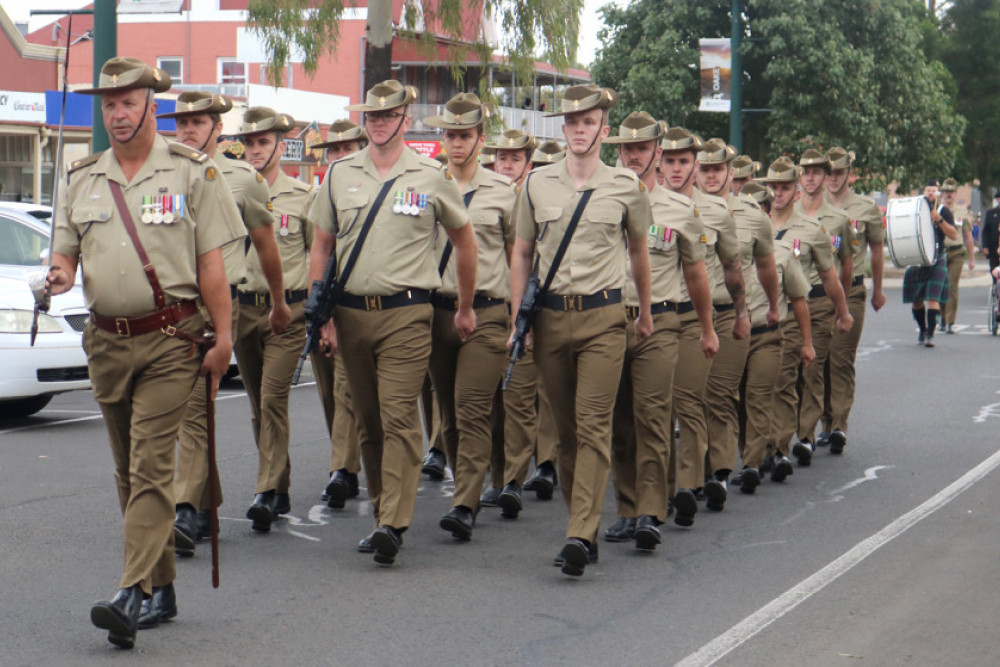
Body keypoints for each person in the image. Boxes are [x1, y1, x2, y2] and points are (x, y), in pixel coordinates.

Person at [48, 57, 240, 649]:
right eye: (109, 104)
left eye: (128, 102)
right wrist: (57, 275)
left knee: (152, 465)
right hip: (106, 340)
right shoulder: (81, 177)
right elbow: (65, 254)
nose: (118, 113)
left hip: (171, 340)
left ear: (150, 106)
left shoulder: (191, 173)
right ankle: (163, 588)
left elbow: (212, 266)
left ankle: (129, 592)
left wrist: (225, 337)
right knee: (127, 472)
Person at [307, 80, 478, 565]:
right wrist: (321, 315)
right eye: (372, 116)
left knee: (399, 414)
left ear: (406, 119)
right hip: (351, 313)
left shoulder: (431, 175)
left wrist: (464, 306)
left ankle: (392, 523)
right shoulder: (340, 174)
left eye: (388, 116)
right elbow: (322, 245)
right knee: (369, 420)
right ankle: (384, 507)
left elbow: (465, 241)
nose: (378, 123)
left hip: (408, 311)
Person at [509, 84, 653, 576]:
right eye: (571, 123)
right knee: (567, 432)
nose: (578, 130)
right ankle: (583, 520)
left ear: (603, 130)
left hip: (604, 320)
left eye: (588, 123)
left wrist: (645, 310)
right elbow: (522, 254)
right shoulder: (536, 184)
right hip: (549, 319)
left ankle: (579, 532)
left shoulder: (626, 186)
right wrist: (518, 321)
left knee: (594, 425)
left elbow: (638, 252)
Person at [157, 92, 289, 554]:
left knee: (196, 408)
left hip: (219, 305)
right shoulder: (163, 175)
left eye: (198, 122)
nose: (188, 130)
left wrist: (278, 301)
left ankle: (186, 509)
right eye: (182, 122)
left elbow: (267, 245)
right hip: (172, 309)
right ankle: (204, 507)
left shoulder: (243, 179)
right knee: (190, 412)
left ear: (218, 127)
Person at [604, 112, 716, 551]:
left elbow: (697, 275)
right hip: (610, 320)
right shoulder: (602, 199)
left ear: (657, 152)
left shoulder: (680, 209)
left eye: (642, 148)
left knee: (653, 415)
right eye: (627, 149)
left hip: (662, 324)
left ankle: (651, 511)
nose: (633, 156)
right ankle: (627, 508)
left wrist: (707, 328)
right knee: (619, 420)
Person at [420, 93, 516, 539]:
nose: (456, 144)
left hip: (486, 311)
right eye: (450, 135)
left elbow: (519, 257)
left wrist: (518, 316)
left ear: (481, 139)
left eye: (465, 136)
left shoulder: (503, 191)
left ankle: (465, 503)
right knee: (449, 412)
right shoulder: (426, 183)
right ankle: (473, 482)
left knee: (472, 406)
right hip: (437, 311)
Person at [232, 107, 316, 532]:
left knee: (271, 398)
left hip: (288, 313)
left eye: (263, 142)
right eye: (248, 143)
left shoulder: (304, 196)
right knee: (255, 404)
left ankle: (265, 490)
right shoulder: (226, 192)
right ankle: (280, 484)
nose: (255, 151)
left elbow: (317, 257)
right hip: (242, 309)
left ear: (281, 147)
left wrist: (320, 316)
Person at [659, 127, 740, 527]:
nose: (676, 169)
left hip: (697, 317)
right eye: (670, 161)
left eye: (683, 161)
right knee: (658, 406)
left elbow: (732, 266)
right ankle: (663, 488)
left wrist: (739, 314)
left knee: (692, 399)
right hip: (655, 317)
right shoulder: (644, 204)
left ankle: (691, 484)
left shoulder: (715, 211)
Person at [696, 138, 779, 510]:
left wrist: (772, 308)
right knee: (689, 399)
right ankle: (691, 475)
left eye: (717, 170)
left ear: (732, 173)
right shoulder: (680, 208)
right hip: (685, 316)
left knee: (719, 394)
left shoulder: (752, 216)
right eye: (705, 169)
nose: (711, 176)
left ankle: (719, 474)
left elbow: (766, 268)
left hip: (731, 315)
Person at [760, 157, 852, 482]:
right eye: (774, 187)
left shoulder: (814, 231)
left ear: (795, 191)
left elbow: (831, 278)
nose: (780, 193)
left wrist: (843, 312)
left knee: (804, 375)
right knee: (772, 381)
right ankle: (768, 446)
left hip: (811, 306)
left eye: (786, 187)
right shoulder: (757, 226)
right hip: (768, 310)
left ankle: (798, 441)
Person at [486, 129, 561, 503]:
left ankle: (544, 464)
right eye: (502, 158)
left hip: (538, 306)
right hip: (496, 306)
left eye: (516, 159)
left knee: (541, 392)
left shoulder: (538, 199)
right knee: (510, 395)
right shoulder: (486, 196)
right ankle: (509, 477)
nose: (508, 165)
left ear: (528, 164)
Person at [307, 120, 367, 508]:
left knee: (364, 394)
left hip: (382, 305)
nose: (339, 156)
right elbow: (319, 249)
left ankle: (351, 468)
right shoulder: (326, 192)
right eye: (333, 150)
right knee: (339, 393)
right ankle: (343, 467)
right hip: (335, 301)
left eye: (347, 149)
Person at [736, 235, 815, 493]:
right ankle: (755, 453)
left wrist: (807, 342)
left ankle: (757, 461)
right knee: (737, 402)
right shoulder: (726, 249)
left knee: (765, 395)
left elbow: (799, 299)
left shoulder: (781, 253)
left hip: (767, 335)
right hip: (733, 337)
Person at [791, 149, 855, 463]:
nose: (812, 177)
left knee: (813, 368)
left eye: (818, 172)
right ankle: (782, 437)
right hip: (788, 301)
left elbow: (846, 265)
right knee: (787, 375)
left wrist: (840, 305)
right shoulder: (787, 214)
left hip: (820, 300)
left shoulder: (841, 221)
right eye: (807, 172)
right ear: (799, 176)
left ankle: (805, 436)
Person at [822, 146, 885, 454]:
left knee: (841, 359)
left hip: (853, 291)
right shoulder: (810, 206)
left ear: (850, 173)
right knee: (818, 362)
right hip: (817, 293)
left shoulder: (866, 207)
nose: (833, 179)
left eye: (838, 172)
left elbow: (876, 249)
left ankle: (838, 426)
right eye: (828, 172)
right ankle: (823, 422)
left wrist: (879, 289)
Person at [902, 179, 959, 347]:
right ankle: (922, 329)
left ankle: (930, 335)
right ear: (923, 192)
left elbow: (954, 235)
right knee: (917, 300)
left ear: (938, 193)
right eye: (928, 190)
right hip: (917, 259)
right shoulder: (914, 210)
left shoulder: (944, 211)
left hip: (936, 257)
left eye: (934, 190)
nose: (931, 193)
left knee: (933, 298)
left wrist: (939, 220)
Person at [940, 178, 976, 333]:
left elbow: (968, 236)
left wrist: (972, 259)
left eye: (951, 192)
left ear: (955, 194)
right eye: (946, 192)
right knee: (941, 286)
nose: (949, 195)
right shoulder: (937, 210)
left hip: (956, 253)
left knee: (952, 285)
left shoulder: (962, 212)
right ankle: (942, 317)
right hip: (940, 252)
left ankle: (950, 321)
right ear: (942, 194)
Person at [981, 190, 1000, 279]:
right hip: (993, 249)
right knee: (994, 272)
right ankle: (995, 289)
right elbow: (986, 231)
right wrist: (985, 246)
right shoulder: (991, 213)